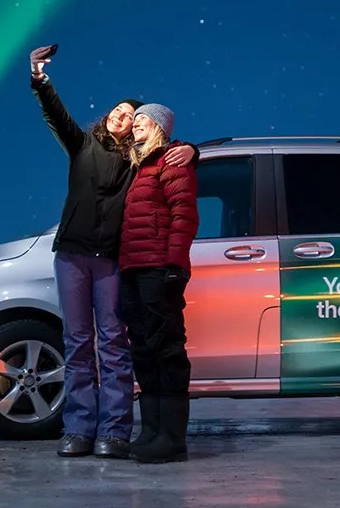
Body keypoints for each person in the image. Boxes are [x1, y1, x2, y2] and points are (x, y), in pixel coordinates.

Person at [28, 44, 197, 459]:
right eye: (119, 111)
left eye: (133, 115)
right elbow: (55, 114)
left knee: (113, 344)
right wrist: (40, 78)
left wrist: (194, 148)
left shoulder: (137, 161)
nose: (123, 116)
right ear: (109, 117)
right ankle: (79, 429)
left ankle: (116, 432)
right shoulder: (82, 145)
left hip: (109, 260)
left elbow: (171, 161)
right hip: (71, 255)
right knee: (77, 342)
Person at [116, 102, 199, 464]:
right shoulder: (139, 167)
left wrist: (175, 265)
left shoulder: (172, 162)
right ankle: (151, 430)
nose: (135, 125)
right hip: (134, 269)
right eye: (133, 121)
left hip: (157, 269)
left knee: (166, 348)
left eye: (141, 120)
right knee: (144, 350)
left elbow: (184, 216)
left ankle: (172, 439)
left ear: (160, 126)